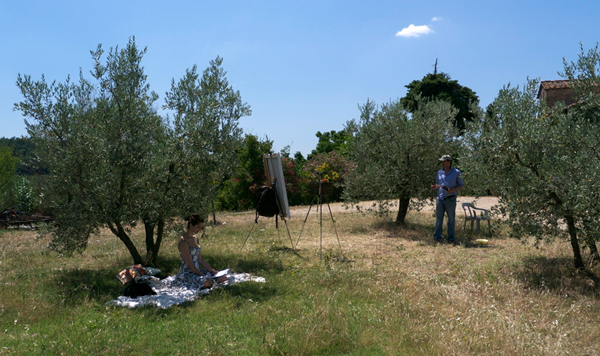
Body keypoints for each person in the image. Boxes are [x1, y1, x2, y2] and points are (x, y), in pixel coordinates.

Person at [171, 214, 227, 290]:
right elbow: (190, 264)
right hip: (188, 273)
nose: (199, 230)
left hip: (197, 270)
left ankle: (209, 280)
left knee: (223, 277)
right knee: (208, 282)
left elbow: (200, 259)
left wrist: (212, 270)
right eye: (198, 227)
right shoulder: (183, 242)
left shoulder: (195, 239)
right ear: (191, 225)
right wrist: (202, 275)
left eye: (201, 227)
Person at [430, 155, 464, 244]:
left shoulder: (456, 172)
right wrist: (435, 187)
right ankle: (437, 237)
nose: (442, 163)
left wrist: (452, 190)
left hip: (450, 199)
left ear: (449, 162)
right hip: (440, 198)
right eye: (441, 161)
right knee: (438, 219)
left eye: (444, 161)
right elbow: (438, 184)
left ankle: (451, 238)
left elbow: (461, 185)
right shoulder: (439, 172)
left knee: (451, 219)